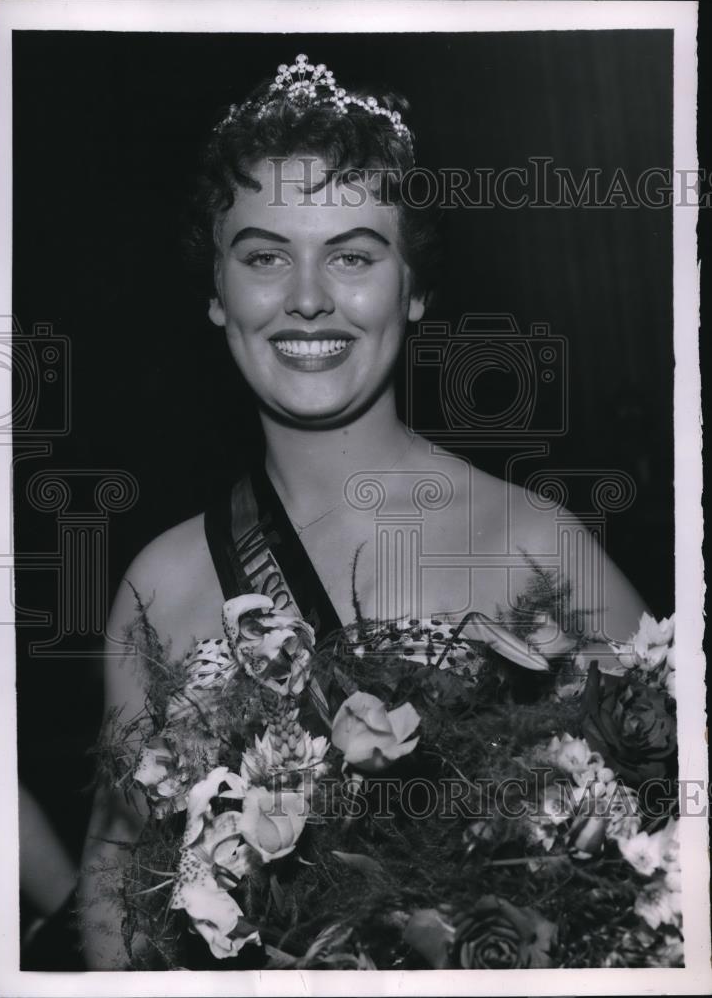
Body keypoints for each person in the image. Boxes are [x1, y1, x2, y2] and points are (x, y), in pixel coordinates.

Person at [78, 53, 648, 968]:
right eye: (265, 257)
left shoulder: (536, 548)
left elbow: (670, 835)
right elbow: (114, 879)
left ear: (414, 288)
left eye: (352, 256)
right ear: (217, 294)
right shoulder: (162, 584)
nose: (307, 297)